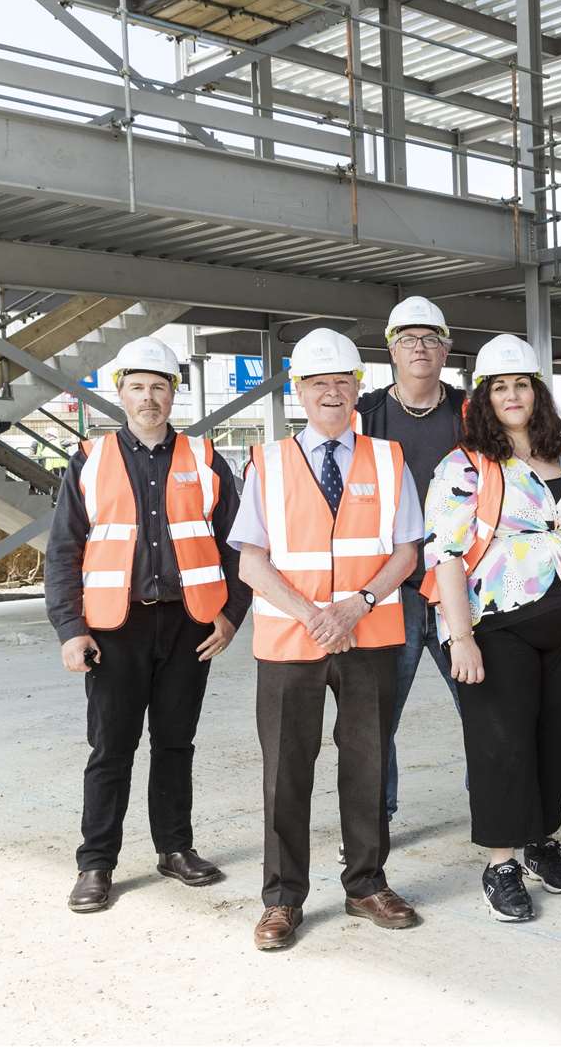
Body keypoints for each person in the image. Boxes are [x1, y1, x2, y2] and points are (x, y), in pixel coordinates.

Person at [229, 327, 423, 951]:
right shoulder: (267, 461)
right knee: (286, 770)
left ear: (357, 390)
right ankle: (282, 899)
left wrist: (357, 604)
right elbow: (250, 561)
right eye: (319, 383)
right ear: (298, 392)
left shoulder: (389, 460)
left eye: (342, 382)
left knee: (366, 763)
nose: (331, 393)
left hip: (369, 636)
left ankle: (366, 884)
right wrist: (313, 614)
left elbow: (407, 551)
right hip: (291, 641)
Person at [47, 337, 249, 913]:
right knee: (111, 748)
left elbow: (239, 547)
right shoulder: (91, 460)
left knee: (175, 744)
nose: (149, 397)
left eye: (159, 386)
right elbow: (64, 550)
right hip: (115, 628)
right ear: (121, 393)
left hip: (190, 627)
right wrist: (70, 629)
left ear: (173, 393)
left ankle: (175, 849)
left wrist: (232, 616)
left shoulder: (207, 460)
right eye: (138, 386)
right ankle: (96, 864)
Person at [423, 335, 561, 923]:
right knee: (502, 743)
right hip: (497, 623)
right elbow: (443, 553)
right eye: (500, 387)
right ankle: (501, 864)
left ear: (537, 393)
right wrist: (460, 636)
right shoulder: (464, 465)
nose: (513, 395)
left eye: (522, 384)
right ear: (484, 399)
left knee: (555, 737)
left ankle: (541, 839)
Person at [355, 296, 466, 828]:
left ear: (446, 349)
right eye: (407, 339)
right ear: (391, 351)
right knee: (376, 718)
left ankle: (496, 810)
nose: (419, 348)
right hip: (388, 592)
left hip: (459, 590)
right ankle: (376, 819)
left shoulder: (471, 414)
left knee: (484, 707)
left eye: (429, 339)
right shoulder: (365, 416)